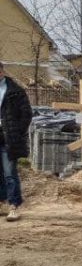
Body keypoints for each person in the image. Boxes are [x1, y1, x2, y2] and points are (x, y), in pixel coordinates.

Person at [0, 61, 33, 222]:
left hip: (9, 137)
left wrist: (17, 132)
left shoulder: (15, 91)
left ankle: (14, 206)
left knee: (9, 173)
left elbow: (26, 113)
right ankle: (1, 203)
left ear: (2, 71)